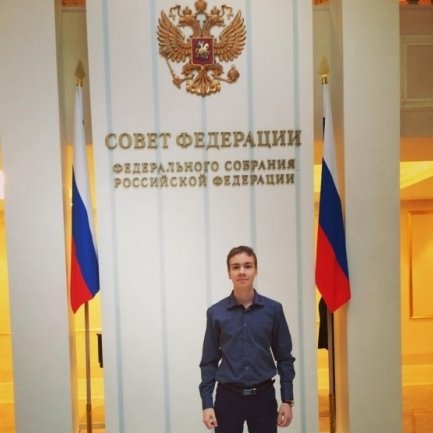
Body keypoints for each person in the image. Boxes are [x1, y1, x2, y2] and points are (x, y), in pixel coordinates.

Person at [199, 246, 295, 433]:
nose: (242, 271)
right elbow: (209, 362)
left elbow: (284, 358)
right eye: (235, 267)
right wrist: (207, 403)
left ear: (255, 270)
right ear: (229, 273)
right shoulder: (216, 313)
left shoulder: (273, 310)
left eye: (247, 266)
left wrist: (287, 399)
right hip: (227, 400)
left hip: (263, 399)